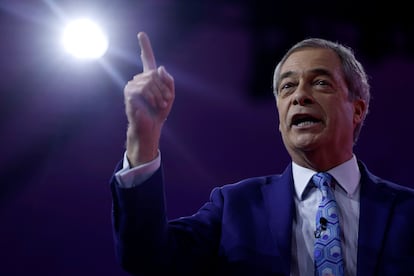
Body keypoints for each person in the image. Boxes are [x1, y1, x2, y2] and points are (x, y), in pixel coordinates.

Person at [109, 32, 414, 275]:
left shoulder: (407, 211)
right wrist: (143, 135)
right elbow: (146, 257)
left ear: (357, 109)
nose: (300, 96)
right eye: (287, 87)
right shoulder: (233, 208)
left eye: (320, 83)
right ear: (280, 118)